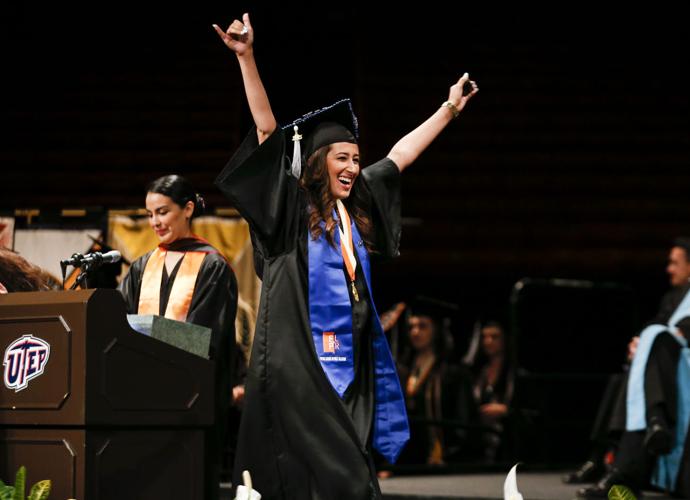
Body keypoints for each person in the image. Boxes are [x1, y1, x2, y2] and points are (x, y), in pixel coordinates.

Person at [212, 12, 478, 500]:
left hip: (350, 359)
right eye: (343, 158)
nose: (354, 167)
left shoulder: (353, 212)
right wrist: (247, 58)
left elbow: (400, 157)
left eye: (356, 159)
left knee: (341, 465)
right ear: (318, 163)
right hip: (301, 361)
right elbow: (268, 130)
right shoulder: (289, 210)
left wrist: (449, 110)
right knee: (340, 478)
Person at [117, 174, 238, 500]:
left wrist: (147, 327)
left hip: (192, 402)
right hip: (144, 401)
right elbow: (117, 325)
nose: (155, 222)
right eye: (150, 214)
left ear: (187, 209)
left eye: (163, 212)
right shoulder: (142, 266)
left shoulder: (213, 267)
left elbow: (204, 341)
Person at [576, 238, 690, 498]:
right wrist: (638, 343)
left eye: (674, 263)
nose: (669, 269)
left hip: (680, 365)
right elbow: (659, 324)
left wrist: (664, 336)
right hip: (665, 369)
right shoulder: (672, 297)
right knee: (625, 375)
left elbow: (677, 333)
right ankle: (648, 426)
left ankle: (627, 467)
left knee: (657, 341)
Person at [395, 297, 474, 466]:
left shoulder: (452, 372)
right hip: (409, 461)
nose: (415, 332)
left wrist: (450, 456)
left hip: (442, 461)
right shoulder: (404, 369)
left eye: (422, 326)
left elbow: (463, 422)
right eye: (411, 327)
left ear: (436, 330)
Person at [469, 321, 515, 463]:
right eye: (485, 337)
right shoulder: (479, 372)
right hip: (482, 440)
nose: (488, 341)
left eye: (494, 337)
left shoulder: (514, 373)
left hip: (509, 441)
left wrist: (506, 410)